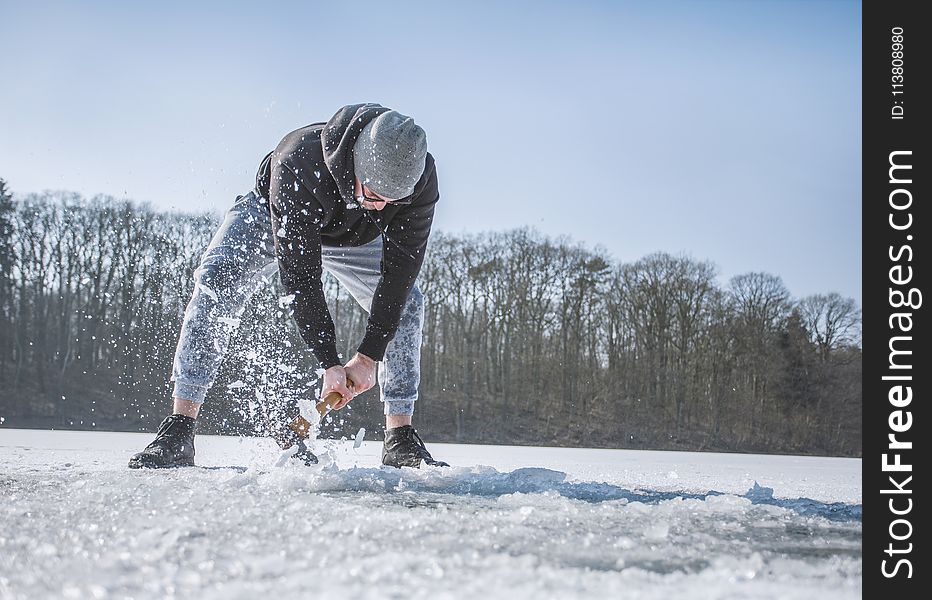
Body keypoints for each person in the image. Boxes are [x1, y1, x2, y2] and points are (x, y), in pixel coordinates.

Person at [129, 103, 448, 469]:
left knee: (410, 303)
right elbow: (301, 278)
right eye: (375, 195)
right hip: (274, 213)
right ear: (356, 165)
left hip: (357, 238)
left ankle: (400, 438)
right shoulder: (298, 160)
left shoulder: (419, 179)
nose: (382, 208)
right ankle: (179, 428)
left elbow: (400, 275)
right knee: (216, 281)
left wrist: (367, 357)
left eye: (394, 202)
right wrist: (329, 360)